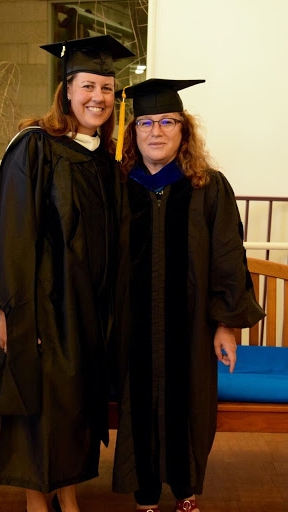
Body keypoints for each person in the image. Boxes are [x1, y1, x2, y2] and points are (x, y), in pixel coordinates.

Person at [0, 35, 134, 512]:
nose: (99, 97)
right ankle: (36, 501)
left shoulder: (102, 162)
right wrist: (11, 311)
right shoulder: (34, 147)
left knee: (72, 406)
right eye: (88, 85)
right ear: (67, 90)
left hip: (86, 312)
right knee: (43, 403)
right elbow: (13, 236)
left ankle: (67, 495)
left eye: (108, 89)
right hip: (42, 306)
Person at [112, 79, 265, 512]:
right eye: (146, 122)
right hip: (132, 327)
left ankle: (185, 491)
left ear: (183, 130)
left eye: (167, 121)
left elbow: (228, 256)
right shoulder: (117, 187)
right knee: (136, 401)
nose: (156, 131)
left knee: (190, 404)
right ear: (134, 131)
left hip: (193, 328)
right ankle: (144, 497)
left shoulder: (208, 186)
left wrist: (227, 324)